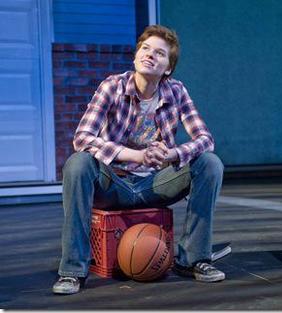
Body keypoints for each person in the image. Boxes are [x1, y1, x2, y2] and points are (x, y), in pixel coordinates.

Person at [53, 25, 225, 295]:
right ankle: (73, 269)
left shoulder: (176, 91)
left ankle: (193, 259)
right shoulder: (112, 86)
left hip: (155, 184)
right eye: (145, 49)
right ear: (135, 57)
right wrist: (137, 155)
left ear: (167, 68)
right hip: (115, 184)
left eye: (159, 53)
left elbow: (205, 138)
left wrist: (171, 154)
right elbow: (83, 137)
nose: (149, 55)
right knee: (78, 162)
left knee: (210, 163)